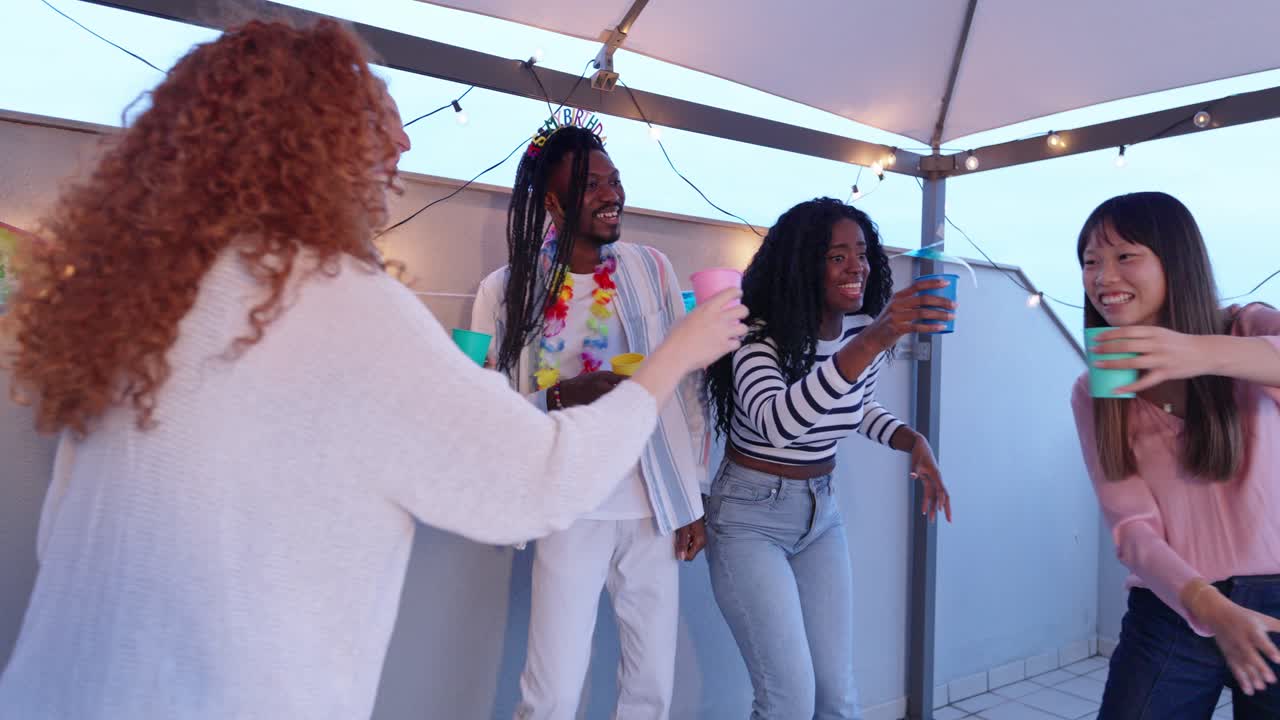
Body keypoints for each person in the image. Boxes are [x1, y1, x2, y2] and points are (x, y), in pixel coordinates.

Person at [0, 20, 745, 719]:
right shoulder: (335, 299)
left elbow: (61, 533)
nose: (404, 142)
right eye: (371, 121)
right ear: (306, 148)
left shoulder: (140, 301)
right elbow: (534, 480)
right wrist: (676, 355)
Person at [470, 123, 708, 720]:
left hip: (653, 503)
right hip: (569, 503)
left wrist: (691, 495)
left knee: (651, 684)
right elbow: (485, 407)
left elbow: (684, 384)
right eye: (591, 185)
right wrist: (558, 397)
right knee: (551, 690)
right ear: (553, 203)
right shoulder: (507, 290)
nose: (611, 195)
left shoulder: (651, 268)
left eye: (613, 180)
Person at [701, 197, 953, 719]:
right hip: (748, 518)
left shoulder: (859, 331)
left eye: (861, 253)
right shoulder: (756, 336)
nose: (856, 266)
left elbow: (855, 408)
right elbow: (779, 423)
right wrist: (877, 338)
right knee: (788, 701)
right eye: (837, 256)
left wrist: (912, 440)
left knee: (837, 697)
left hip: (820, 515)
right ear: (802, 264)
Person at [1071, 191, 1280, 719]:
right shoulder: (1100, 387)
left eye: (1125, 256)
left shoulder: (1247, 328)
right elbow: (1132, 528)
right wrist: (1209, 606)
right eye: (1090, 262)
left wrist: (1196, 351)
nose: (1103, 277)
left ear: (1176, 257)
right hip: (1173, 606)